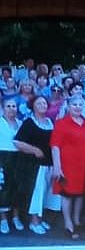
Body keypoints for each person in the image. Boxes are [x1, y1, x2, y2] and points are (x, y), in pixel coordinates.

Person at [14, 94, 59, 234]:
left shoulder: (50, 122)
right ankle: (34, 222)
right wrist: (34, 150)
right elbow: (17, 142)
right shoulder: (29, 122)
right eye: (39, 103)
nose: (42, 106)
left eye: (44, 103)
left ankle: (40, 218)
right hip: (35, 166)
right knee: (37, 193)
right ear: (33, 106)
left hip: (49, 163)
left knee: (46, 193)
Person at [50, 94, 85, 239]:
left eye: (80, 105)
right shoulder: (61, 123)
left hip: (83, 166)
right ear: (68, 106)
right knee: (67, 194)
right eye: (74, 104)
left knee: (80, 193)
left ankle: (76, 220)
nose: (77, 107)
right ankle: (68, 224)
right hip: (67, 165)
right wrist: (57, 167)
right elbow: (55, 146)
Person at [0, 97, 23, 234]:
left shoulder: (20, 123)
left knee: (17, 187)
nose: (11, 109)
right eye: (8, 106)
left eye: (13, 106)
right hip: (2, 157)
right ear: (3, 108)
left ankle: (15, 216)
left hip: (18, 158)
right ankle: (3, 219)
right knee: (3, 189)